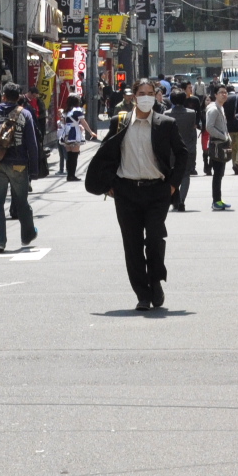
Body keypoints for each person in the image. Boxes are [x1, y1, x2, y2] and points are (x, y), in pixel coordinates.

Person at [84, 77, 183, 311]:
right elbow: (107, 154)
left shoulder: (166, 124)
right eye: (141, 93)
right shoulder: (119, 122)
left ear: (156, 95)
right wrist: (109, 183)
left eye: (150, 93)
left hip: (157, 190)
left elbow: (183, 153)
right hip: (126, 191)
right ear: (134, 96)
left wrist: (173, 184)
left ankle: (155, 281)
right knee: (132, 244)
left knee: (155, 239)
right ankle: (142, 294)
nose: (146, 97)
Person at [0, 84, 40, 253]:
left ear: (3, 96)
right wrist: (34, 170)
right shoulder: (25, 114)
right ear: (18, 97)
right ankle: (27, 235)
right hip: (19, 164)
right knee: (21, 202)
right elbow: (32, 144)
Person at [168, 84, 200, 212]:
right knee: (186, 175)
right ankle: (181, 200)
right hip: (187, 148)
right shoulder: (191, 114)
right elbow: (193, 131)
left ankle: (175, 200)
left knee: (172, 175)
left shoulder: (166, 114)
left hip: (171, 150)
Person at [203, 84, 234, 210]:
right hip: (217, 145)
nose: (224, 94)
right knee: (217, 174)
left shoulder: (220, 107)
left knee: (219, 174)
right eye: (221, 92)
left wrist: (227, 137)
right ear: (215, 95)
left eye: (225, 92)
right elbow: (209, 127)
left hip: (222, 144)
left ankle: (218, 199)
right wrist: (223, 137)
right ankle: (216, 201)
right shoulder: (213, 109)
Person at [57, 104, 89, 181]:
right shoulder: (77, 111)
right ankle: (72, 175)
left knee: (69, 155)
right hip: (74, 132)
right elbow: (83, 122)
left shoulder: (66, 111)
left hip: (66, 133)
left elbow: (63, 122)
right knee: (74, 156)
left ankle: (69, 175)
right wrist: (90, 132)